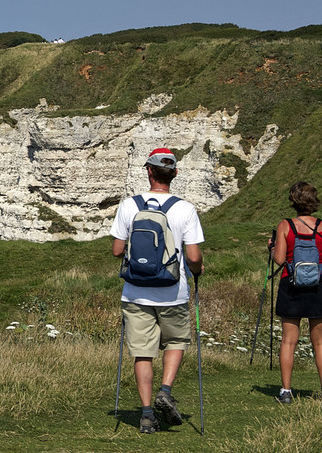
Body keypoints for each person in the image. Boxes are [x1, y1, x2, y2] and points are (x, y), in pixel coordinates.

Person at [110, 148, 205, 434]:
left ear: (148, 172)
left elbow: (116, 251)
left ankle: (147, 415)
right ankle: (165, 389)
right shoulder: (185, 209)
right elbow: (194, 257)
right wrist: (197, 273)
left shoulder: (130, 205)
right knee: (176, 341)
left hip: (135, 291)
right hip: (172, 290)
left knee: (143, 353)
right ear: (174, 174)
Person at [272, 181, 322, 403]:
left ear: (293, 201)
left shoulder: (285, 226)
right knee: (320, 341)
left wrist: (272, 247)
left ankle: (286, 392)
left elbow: (280, 260)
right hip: (318, 285)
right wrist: (318, 263)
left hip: (291, 285)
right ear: (314, 202)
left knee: (288, 341)